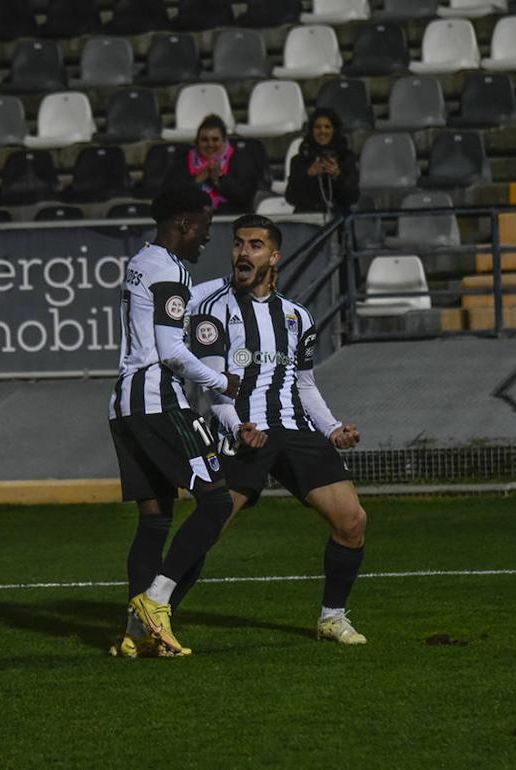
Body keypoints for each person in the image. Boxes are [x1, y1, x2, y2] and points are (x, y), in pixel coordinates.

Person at [179, 213, 370, 644]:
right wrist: (236, 425)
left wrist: (333, 428)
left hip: (295, 429)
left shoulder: (298, 317)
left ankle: (332, 617)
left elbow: (304, 385)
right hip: (244, 430)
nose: (243, 252)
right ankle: (159, 613)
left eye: (255, 245)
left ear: (275, 256)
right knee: (207, 529)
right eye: (239, 244)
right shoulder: (213, 310)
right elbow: (212, 389)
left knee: (352, 520)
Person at [108, 185, 243, 658]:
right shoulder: (168, 270)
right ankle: (157, 601)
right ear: (184, 223)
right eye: (204, 227)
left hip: (124, 405)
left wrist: (229, 282)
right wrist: (222, 381)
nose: (207, 236)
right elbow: (172, 353)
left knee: (154, 518)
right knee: (216, 503)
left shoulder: (144, 262)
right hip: (157, 399)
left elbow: (176, 304)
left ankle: (136, 635)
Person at [164, 114, 259, 215]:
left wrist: (220, 179)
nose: (210, 144)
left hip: (229, 220)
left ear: (224, 140)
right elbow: (169, 197)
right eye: (204, 140)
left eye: (215, 139)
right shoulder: (183, 160)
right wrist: (198, 180)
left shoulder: (240, 160)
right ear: (197, 142)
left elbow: (245, 199)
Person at [284, 108, 359, 215]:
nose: (322, 131)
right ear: (312, 130)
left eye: (327, 127)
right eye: (317, 127)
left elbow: (353, 197)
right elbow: (291, 198)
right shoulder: (299, 161)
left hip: (337, 219)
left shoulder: (346, 158)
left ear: (334, 130)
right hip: (307, 217)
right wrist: (308, 174)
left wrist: (338, 176)